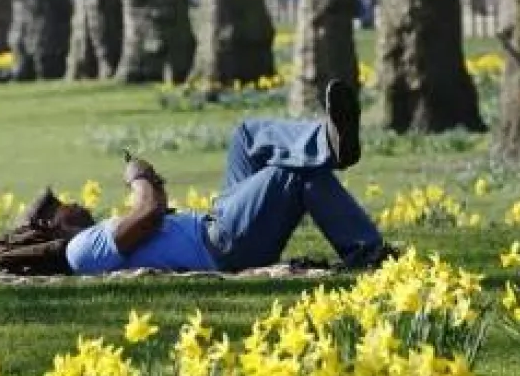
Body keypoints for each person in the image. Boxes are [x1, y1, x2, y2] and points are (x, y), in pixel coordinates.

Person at [57, 81, 394, 275]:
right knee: (290, 173)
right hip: (220, 245)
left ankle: (328, 143)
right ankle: (367, 251)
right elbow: (149, 213)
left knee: (246, 137)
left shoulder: (95, 239)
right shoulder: (78, 250)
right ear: (49, 227)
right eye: (59, 207)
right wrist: (139, 176)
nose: (70, 202)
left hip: (217, 223)